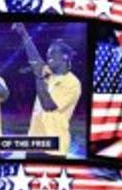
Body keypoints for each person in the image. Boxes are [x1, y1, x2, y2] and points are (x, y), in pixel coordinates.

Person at [12, 22, 82, 156]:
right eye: (48, 53)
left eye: (53, 53)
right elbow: (36, 60)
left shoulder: (72, 82)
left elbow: (48, 106)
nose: (48, 55)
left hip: (54, 148)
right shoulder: (48, 73)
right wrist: (24, 35)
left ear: (65, 57)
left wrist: (39, 78)